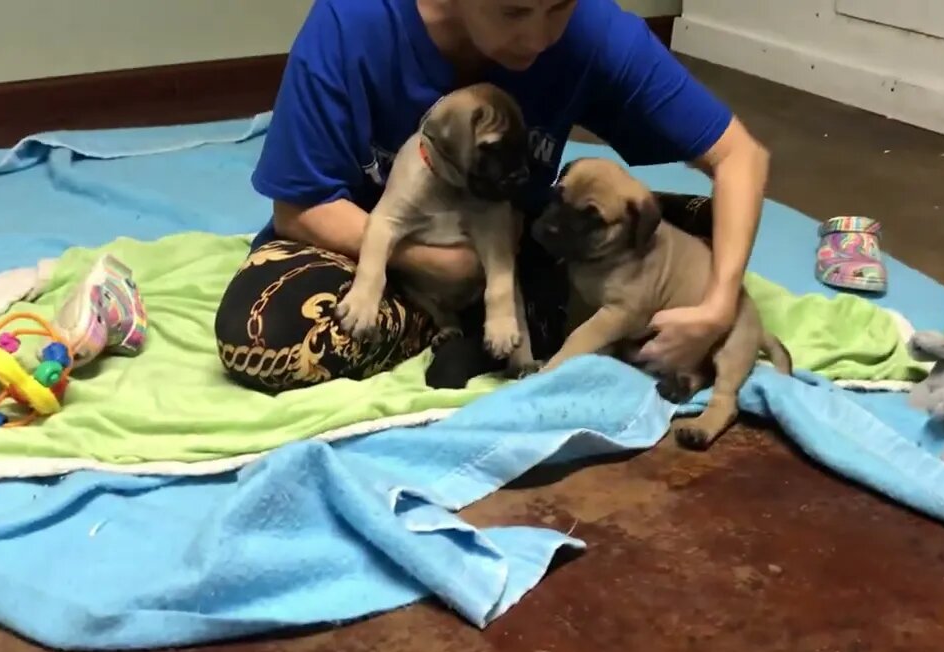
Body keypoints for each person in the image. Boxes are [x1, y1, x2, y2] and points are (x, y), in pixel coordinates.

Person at [214, 0, 770, 391]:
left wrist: (718, 308)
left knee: (705, 230)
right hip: (364, 249)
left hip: (520, 245)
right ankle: (445, 325)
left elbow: (741, 156)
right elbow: (298, 207)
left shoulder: (591, 30)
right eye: (513, 10)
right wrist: (432, 263)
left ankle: (506, 313)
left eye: (559, 7)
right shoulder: (353, 22)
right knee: (267, 337)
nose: (538, 37)